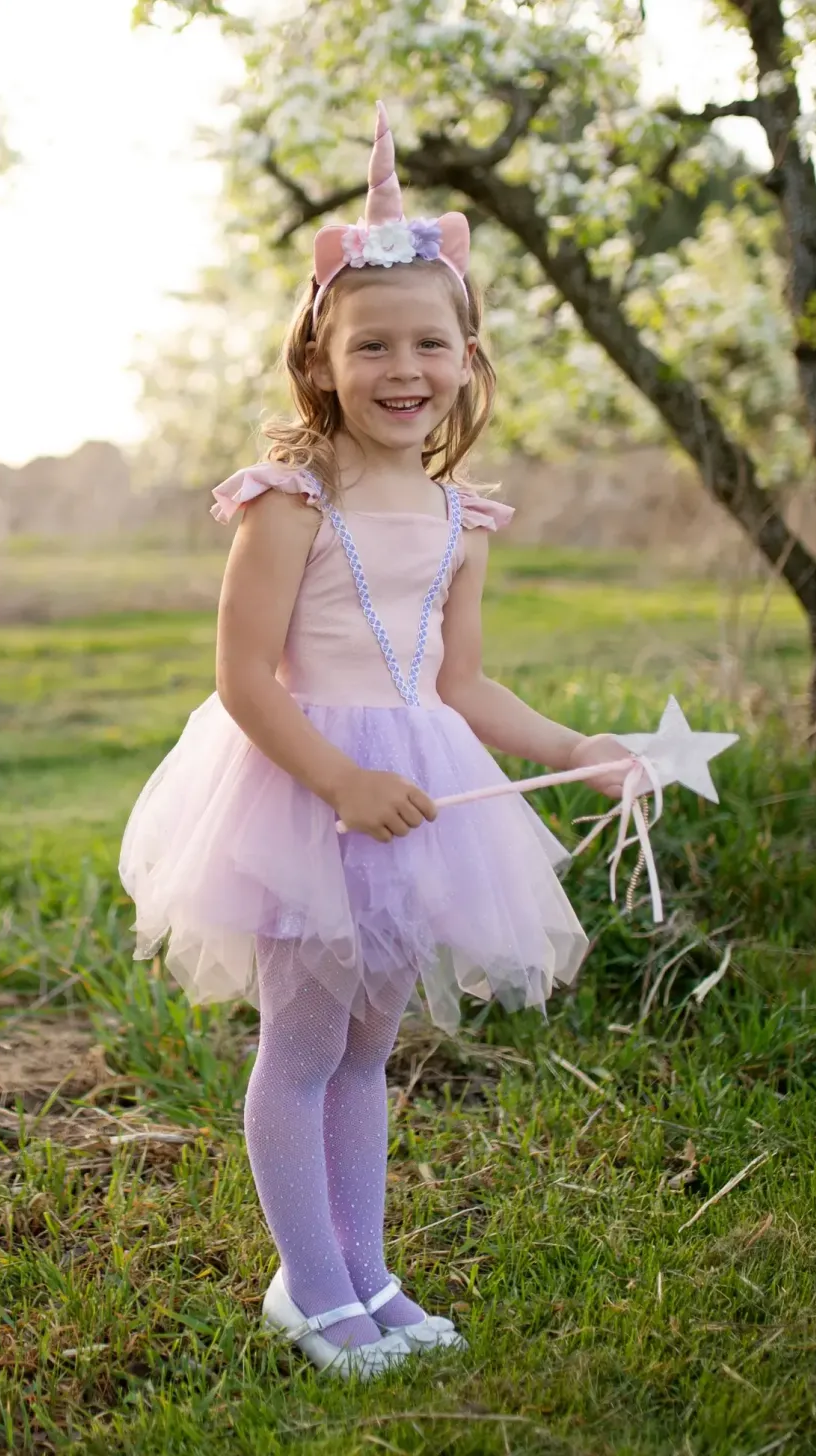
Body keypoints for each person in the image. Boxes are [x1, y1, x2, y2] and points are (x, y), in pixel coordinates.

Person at [119, 101, 636, 1380]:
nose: (403, 368)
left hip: (416, 794)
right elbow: (244, 681)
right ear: (322, 357)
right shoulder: (289, 501)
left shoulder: (461, 518)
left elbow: (462, 686)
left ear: (467, 358)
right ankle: (308, 1290)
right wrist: (341, 780)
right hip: (306, 790)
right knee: (302, 1049)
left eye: (428, 343)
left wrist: (579, 744)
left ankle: (368, 1273)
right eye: (372, 345)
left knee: (367, 1050)